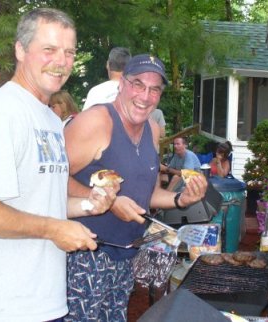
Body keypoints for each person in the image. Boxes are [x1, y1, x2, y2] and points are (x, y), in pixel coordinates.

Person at [0, 8, 119, 322]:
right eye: (49, 49)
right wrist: (55, 229)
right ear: (20, 49)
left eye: (69, 52)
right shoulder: (1, 113)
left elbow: (42, 200)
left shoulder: (49, 119)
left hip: (43, 302)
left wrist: (89, 205)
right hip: (0, 308)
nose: (61, 61)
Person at [64, 54, 207, 321]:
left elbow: (148, 194)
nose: (145, 95)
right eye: (138, 84)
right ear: (122, 84)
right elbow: (50, 179)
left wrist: (181, 199)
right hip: (85, 254)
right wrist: (106, 201)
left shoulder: (152, 130)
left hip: (127, 253)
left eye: (154, 89)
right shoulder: (96, 121)